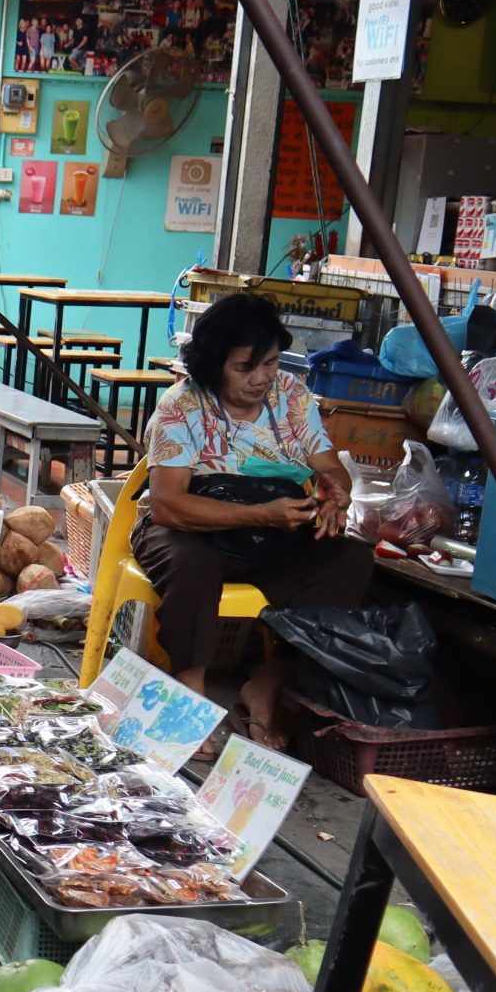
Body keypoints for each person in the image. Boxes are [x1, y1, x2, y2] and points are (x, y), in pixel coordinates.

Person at [131, 293, 370, 743]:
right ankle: (191, 700)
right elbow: (167, 504)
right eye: (245, 368)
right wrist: (260, 515)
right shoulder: (181, 407)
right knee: (192, 567)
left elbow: (328, 464)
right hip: (189, 528)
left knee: (350, 561)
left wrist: (337, 491)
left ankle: (267, 683)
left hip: (271, 533)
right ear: (213, 363)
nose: (261, 378)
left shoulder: (292, 397)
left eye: (271, 363)